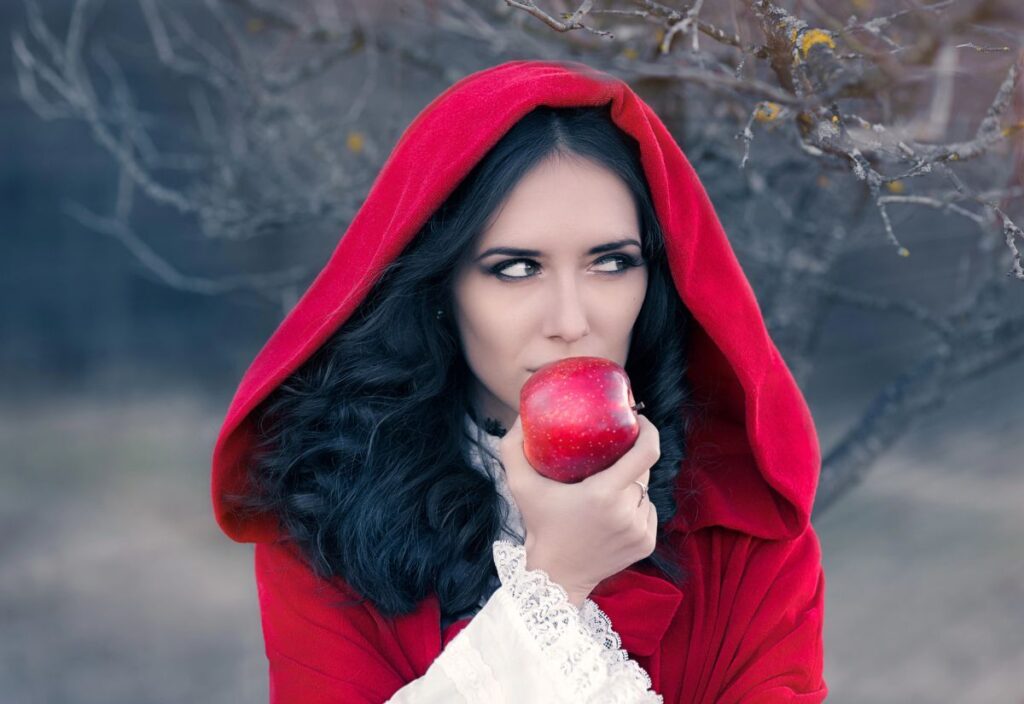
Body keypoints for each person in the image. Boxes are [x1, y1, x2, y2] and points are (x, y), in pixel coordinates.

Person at [211, 59, 828, 703]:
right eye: (515, 269)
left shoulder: (745, 534)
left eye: (612, 262)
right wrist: (554, 586)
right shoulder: (322, 525)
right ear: (441, 288)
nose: (571, 322)